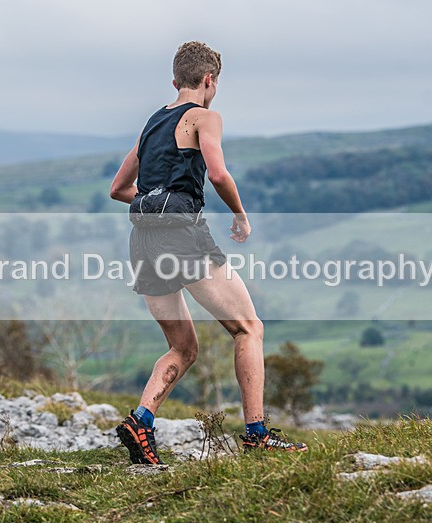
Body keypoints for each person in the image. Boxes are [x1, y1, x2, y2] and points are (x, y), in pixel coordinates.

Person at [109, 41, 308, 465]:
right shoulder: (204, 116)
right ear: (209, 80)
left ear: (174, 80)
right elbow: (217, 172)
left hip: (142, 240)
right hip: (182, 235)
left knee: (183, 347)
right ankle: (256, 434)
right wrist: (239, 214)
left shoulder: (150, 126)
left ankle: (141, 421)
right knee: (248, 328)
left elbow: (119, 189)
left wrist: (154, 205)